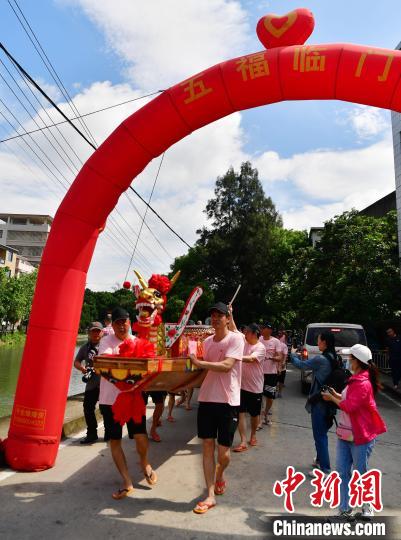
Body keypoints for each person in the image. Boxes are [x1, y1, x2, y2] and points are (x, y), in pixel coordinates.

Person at [189, 302, 244, 514]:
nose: (215, 318)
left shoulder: (236, 339)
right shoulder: (208, 342)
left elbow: (227, 366)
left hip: (228, 402)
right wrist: (183, 384)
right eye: (212, 315)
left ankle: (220, 475)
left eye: (219, 315)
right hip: (206, 400)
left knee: (224, 454)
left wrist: (201, 364)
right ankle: (210, 495)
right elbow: (204, 372)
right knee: (207, 447)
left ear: (228, 319)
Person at [322, 344, 386, 523]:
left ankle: (367, 508)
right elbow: (349, 400)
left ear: (358, 361)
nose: (348, 360)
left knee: (361, 473)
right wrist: (336, 394)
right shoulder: (355, 379)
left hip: (360, 436)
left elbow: (350, 406)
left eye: (351, 358)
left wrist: (331, 398)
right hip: (346, 434)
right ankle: (345, 511)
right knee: (343, 472)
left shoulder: (363, 383)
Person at [98, 307, 157, 499]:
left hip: (133, 397)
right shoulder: (106, 342)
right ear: (112, 325)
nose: (122, 325)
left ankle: (144, 462)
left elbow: (149, 363)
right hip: (110, 401)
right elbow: (106, 363)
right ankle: (126, 481)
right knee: (115, 440)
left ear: (130, 322)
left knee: (140, 436)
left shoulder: (137, 341)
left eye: (125, 321)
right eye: (117, 322)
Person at [290, 331, 337, 475]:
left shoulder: (321, 360)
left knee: (320, 435)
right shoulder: (334, 357)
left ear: (325, 342)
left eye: (319, 340)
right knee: (322, 433)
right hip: (329, 402)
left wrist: (292, 353)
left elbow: (301, 365)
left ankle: (325, 469)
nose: (318, 343)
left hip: (319, 402)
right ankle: (319, 461)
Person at [232, 323, 265, 451]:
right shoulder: (244, 342)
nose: (244, 334)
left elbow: (251, 359)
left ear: (254, 333)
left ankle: (253, 435)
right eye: (244, 332)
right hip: (241, 386)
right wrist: (230, 314)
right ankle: (243, 441)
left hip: (255, 388)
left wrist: (234, 357)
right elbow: (234, 328)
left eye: (247, 332)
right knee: (240, 413)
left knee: (254, 415)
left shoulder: (260, 347)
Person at [74, 321, 104, 444]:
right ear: (89, 333)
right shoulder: (85, 347)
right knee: (87, 408)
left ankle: (109, 434)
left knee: (106, 410)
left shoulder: (106, 346)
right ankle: (91, 434)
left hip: (106, 384)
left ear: (102, 333)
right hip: (91, 383)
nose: (96, 334)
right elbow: (76, 361)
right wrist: (82, 368)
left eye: (98, 331)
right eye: (93, 331)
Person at [259, 323, 282, 426]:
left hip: (271, 374)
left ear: (269, 330)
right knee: (258, 395)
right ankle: (260, 418)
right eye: (262, 328)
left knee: (270, 397)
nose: (262, 330)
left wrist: (270, 358)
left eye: (264, 328)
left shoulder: (276, 342)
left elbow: (279, 357)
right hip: (259, 373)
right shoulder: (258, 339)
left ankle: (266, 414)